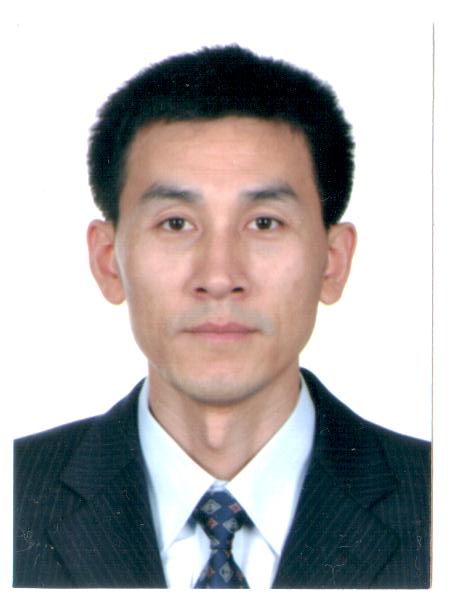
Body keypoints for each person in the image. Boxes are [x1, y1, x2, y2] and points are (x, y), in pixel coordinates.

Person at [13, 45, 430, 589]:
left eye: (264, 222)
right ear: (108, 260)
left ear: (333, 261)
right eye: (176, 223)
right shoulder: (15, 496)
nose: (218, 275)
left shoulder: (443, 500)